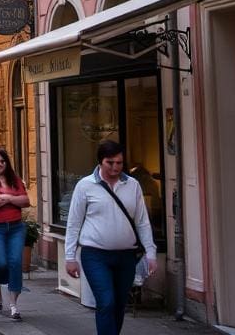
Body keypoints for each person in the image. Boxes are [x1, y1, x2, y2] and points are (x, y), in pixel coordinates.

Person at [65, 140, 157, 335]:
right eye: (110, 162)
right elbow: (74, 223)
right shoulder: (85, 186)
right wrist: (70, 257)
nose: (115, 167)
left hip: (126, 256)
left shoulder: (132, 185)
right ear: (100, 162)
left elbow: (142, 221)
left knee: (119, 304)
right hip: (95, 255)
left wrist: (151, 252)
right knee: (106, 301)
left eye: (119, 163)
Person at [0, 148, 30, 320]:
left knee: (15, 262)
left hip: (16, 227)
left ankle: (14, 305)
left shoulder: (15, 180)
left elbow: (26, 201)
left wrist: (5, 198)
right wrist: (12, 199)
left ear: (7, 163)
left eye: (2, 161)